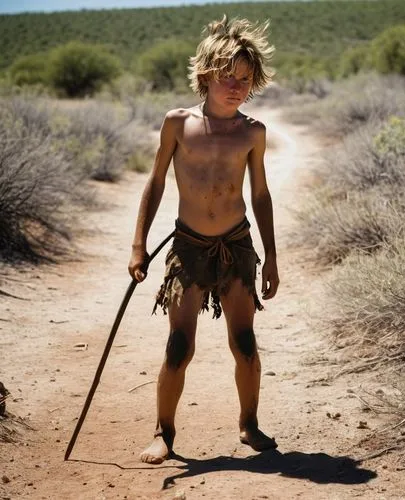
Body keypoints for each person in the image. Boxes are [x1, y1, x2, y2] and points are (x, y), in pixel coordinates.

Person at [128, 15, 280, 464]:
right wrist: (139, 245)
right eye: (227, 77)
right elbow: (155, 183)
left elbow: (261, 194)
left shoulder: (253, 132)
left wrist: (270, 256)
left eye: (244, 80)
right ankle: (164, 432)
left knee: (245, 343)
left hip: (236, 246)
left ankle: (249, 424)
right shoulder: (178, 124)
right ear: (206, 75)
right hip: (189, 246)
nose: (235, 86)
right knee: (180, 345)